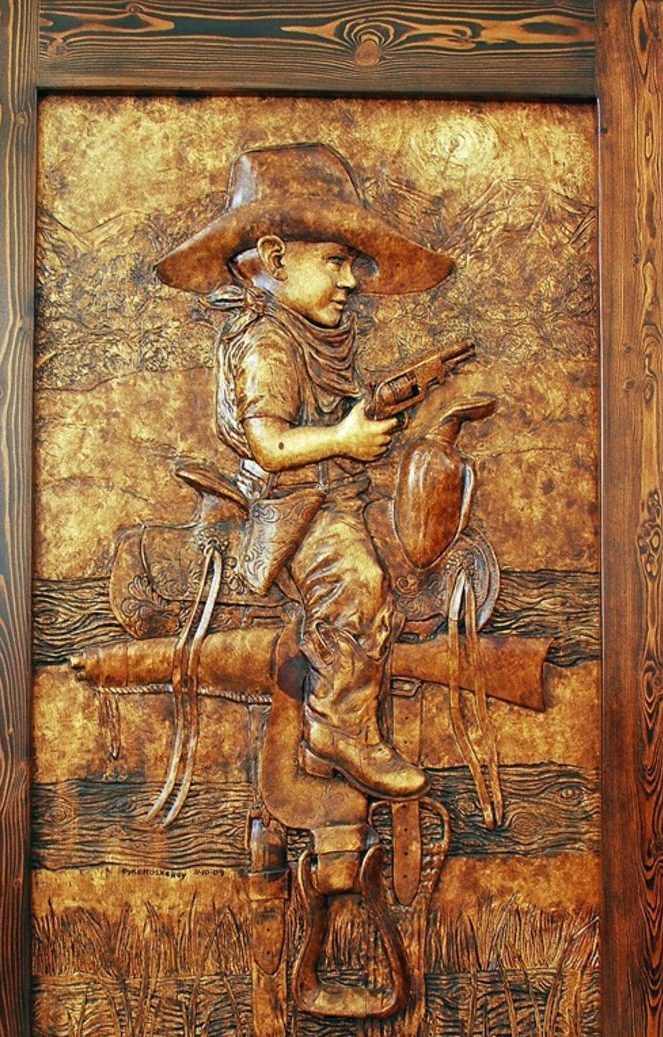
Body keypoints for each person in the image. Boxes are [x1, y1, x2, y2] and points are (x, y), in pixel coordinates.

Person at [156, 142, 454, 800]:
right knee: (358, 584)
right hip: (293, 507)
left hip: (332, 495)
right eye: (336, 262)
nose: (351, 281)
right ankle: (338, 726)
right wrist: (344, 438)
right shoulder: (266, 341)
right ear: (275, 258)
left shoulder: (301, 332)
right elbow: (269, 446)